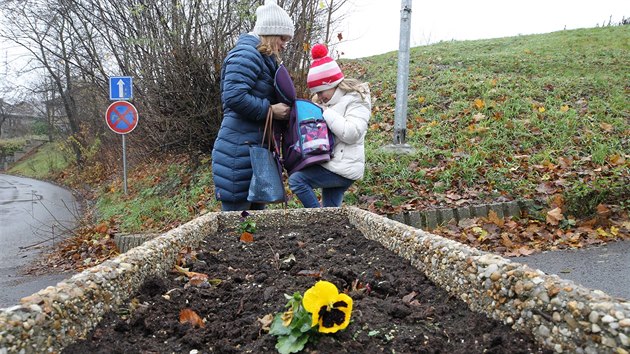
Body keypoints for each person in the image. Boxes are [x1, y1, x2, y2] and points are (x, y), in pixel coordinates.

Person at [212, 0, 293, 211]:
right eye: (283, 38)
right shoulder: (246, 54)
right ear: (271, 33)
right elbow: (234, 96)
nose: (285, 44)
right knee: (236, 228)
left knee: (254, 231)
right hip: (237, 153)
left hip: (251, 151)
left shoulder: (261, 57)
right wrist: (270, 110)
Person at [288, 44, 371, 208]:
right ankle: (329, 230)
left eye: (321, 92)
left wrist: (325, 113)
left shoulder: (356, 99)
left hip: (343, 168)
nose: (319, 97)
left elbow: (352, 133)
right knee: (332, 213)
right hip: (335, 163)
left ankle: (317, 219)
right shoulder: (330, 103)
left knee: (297, 180)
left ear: (331, 84)